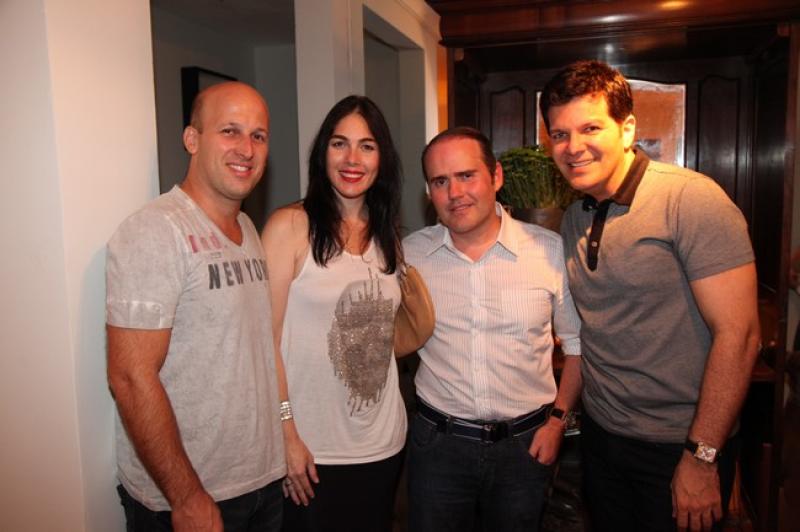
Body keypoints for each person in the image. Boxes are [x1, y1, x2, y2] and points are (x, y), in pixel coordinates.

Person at [540, 60, 761, 532]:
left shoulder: (691, 200)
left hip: (679, 447)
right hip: (603, 440)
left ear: (627, 129)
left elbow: (740, 336)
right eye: (559, 134)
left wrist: (702, 456)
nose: (573, 147)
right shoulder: (575, 216)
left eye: (590, 128)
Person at [106, 81, 285, 532]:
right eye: (229, 131)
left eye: (258, 136)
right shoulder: (155, 231)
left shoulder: (247, 228)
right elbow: (129, 377)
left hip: (261, 483)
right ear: (192, 139)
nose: (246, 148)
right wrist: (186, 497)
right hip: (192, 498)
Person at [403, 126, 583, 532]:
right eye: (440, 181)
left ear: (496, 176)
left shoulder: (548, 251)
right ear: (429, 191)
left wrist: (558, 422)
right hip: (438, 448)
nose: (455, 193)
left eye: (467, 175)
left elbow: (576, 346)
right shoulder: (410, 256)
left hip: (526, 446)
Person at [261, 95, 407, 532]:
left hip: (383, 446)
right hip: (312, 452)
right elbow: (264, 344)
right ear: (322, 152)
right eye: (339, 143)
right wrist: (286, 434)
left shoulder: (388, 237)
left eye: (367, 146)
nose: (352, 159)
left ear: (382, 158)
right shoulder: (289, 227)